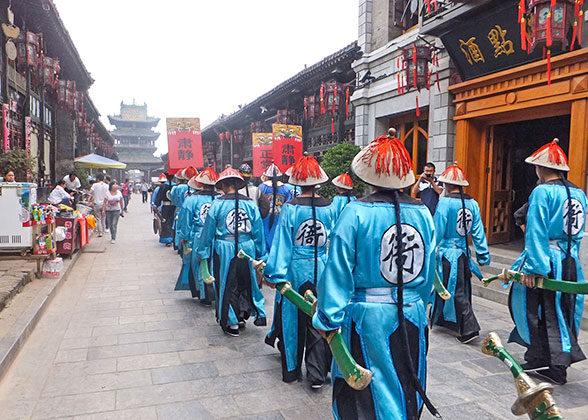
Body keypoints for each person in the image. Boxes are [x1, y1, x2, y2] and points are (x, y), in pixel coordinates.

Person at [312, 129, 439, 420]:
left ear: (367, 176)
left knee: (369, 391)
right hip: (412, 313)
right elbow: (430, 267)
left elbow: (338, 269)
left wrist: (329, 316)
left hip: (368, 317)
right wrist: (418, 302)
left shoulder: (355, 212)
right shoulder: (422, 213)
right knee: (408, 379)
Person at [508, 139, 587, 385]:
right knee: (563, 309)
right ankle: (539, 357)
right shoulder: (579, 193)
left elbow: (536, 230)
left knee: (543, 311)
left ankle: (555, 366)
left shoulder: (542, 191)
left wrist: (534, 267)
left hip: (548, 258)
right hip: (571, 260)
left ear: (540, 168)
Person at [264, 153, 334, 389]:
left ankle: (293, 368)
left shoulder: (291, 209)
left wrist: (274, 274)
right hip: (322, 268)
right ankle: (317, 371)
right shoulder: (329, 207)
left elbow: (282, 242)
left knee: (292, 319)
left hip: (295, 269)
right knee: (319, 316)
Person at [196, 166, 267, 337]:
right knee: (245, 281)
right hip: (248, 246)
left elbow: (208, 231)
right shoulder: (250, 204)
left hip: (224, 248)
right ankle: (242, 314)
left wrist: (203, 252)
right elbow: (258, 230)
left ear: (223, 185)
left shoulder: (218, 204)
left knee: (227, 282)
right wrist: (260, 254)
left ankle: (232, 321)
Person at [429, 163, 490, 344]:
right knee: (459, 288)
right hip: (463, 253)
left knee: (455, 290)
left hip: (448, 254)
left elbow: (438, 228)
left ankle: (469, 328)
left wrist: (430, 250)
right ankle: (446, 320)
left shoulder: (445, 202)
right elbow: (478, 232)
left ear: (447, 184)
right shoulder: (473, 204)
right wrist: (482, 254)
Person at [176, 168, 220, 306]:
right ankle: (217, 293)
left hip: (198, 236)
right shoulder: (220, 199)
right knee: (217, 265)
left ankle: (204, 295)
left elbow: (185, 220)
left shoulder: (192, 199)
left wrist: (183, 237)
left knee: (200, 265)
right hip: (217, 237)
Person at [258, 163, 293, 253]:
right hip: (280, 220)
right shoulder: (286, 189)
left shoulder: (261, 187)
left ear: (266, 176)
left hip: (264, 220)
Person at [170, 167, 197, 252]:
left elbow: (172, 198)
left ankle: (179, 246)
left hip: (179, 210)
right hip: (193, 212)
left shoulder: (177, 188)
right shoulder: (195, 188)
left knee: (180, 228)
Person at [154, 172, 176, 246]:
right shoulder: (175, 186)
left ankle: (168, 239)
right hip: (174, 206)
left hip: (166, 206)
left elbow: (159, 198)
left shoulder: (162, 187)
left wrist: (156, 205)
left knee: (165, 221)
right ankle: (173, 237)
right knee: (173, 221)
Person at [89, 173, 109, 238]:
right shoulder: (107, 186)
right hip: (104, 204)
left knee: (98, 218)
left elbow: (90, 192)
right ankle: (103, 230)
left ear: (97, 179)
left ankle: (100, 232)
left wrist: (88, 199)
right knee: (103, 217)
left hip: (96, 203)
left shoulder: (94, 185)